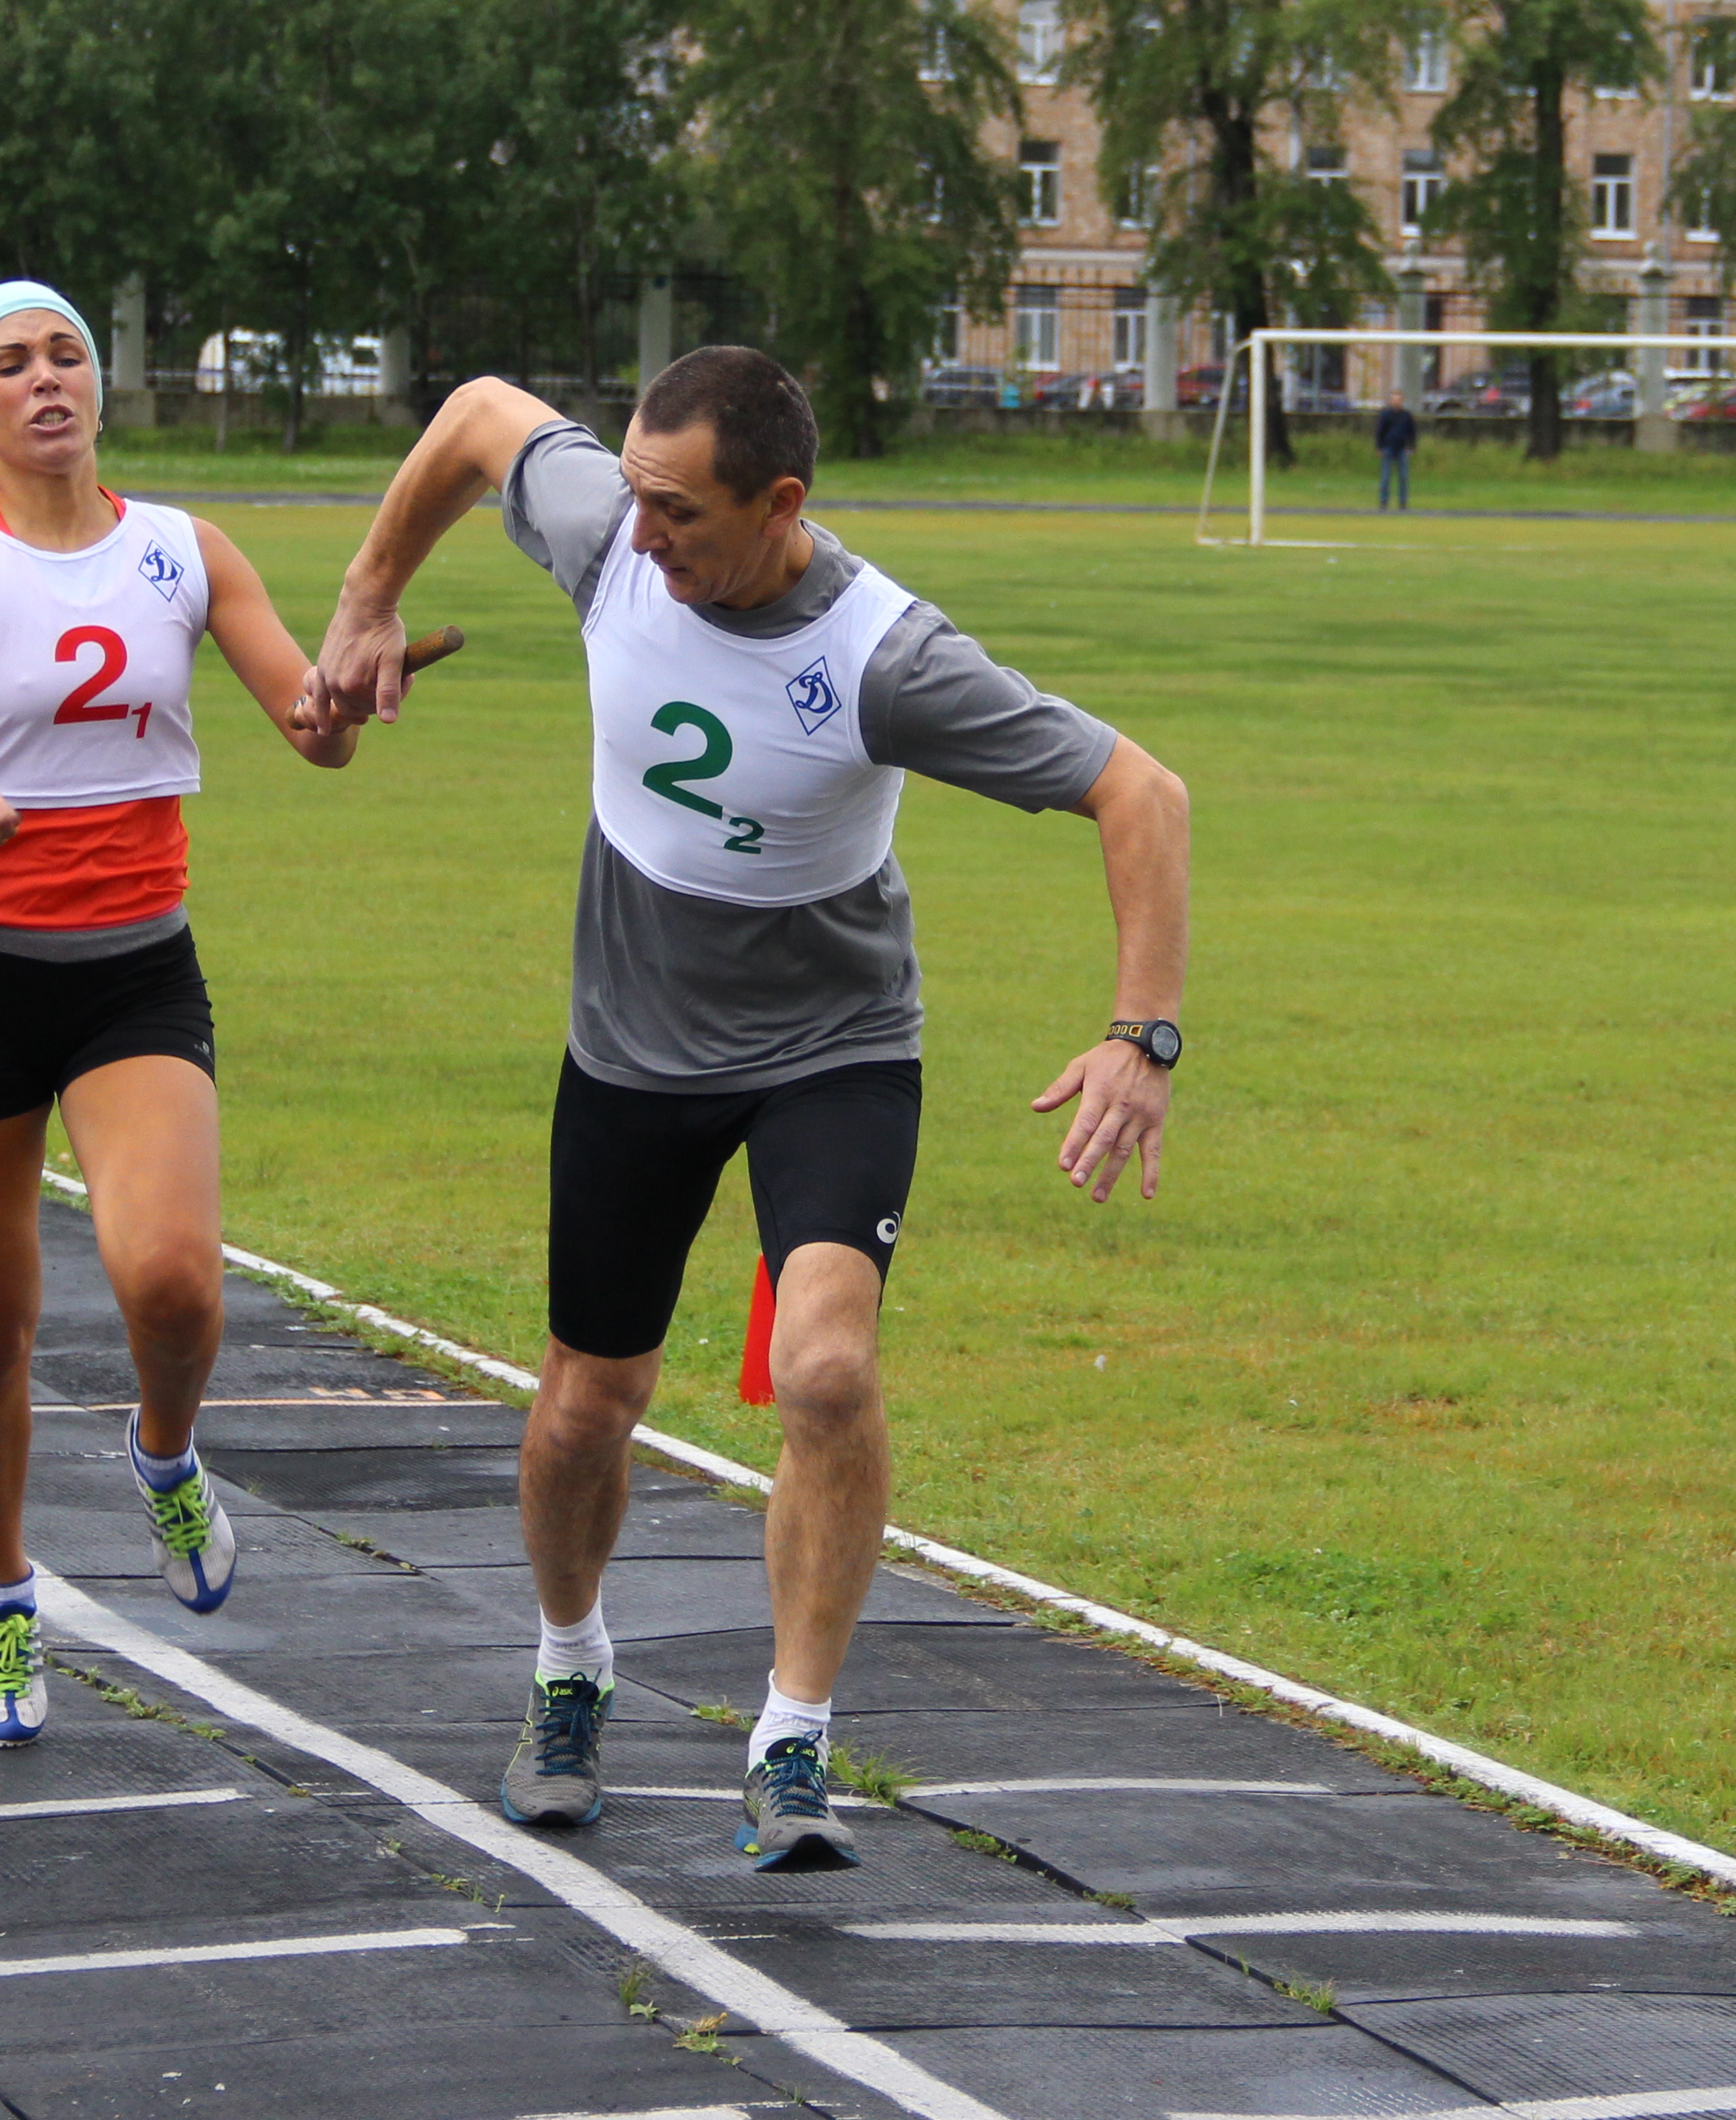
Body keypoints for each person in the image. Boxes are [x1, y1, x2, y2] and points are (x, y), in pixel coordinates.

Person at [299, 348, 1187, 1873]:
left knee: (825, 1371)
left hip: (830, 1043)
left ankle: (790, 1741)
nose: (639, 540)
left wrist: (1139, 1039)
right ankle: (570, 1670)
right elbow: (471, 414)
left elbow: (1141, 793)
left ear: (781, 504)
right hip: (633, 1045)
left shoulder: (884, 658)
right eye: (633, 501)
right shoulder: (608, 531)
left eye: (679, 516)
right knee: (590, 1401)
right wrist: (367, 596)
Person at [0, 281, 361, 1746]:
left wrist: (346, 699)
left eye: (65, 356)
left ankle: (164, 1459)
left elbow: (309, 728)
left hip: (129, 973)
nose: (46, 381)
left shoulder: (183, 550)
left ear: (99, 387)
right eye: (11, 364)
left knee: (170, 1278)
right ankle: (2, 1604)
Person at [1374, 395, 1418, 513]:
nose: (1396, 402)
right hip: (1388, 448)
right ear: (1391, 401)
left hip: (1402, 449)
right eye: (1394, 400)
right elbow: (1380, 432)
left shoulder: (1406, 416)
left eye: (1398, 400)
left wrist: (1412, 447)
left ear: (1401, 401)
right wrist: (1379, 447)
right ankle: (1384, 502)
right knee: (1385, 477)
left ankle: (1403, 503)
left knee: (1403, 477)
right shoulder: (1385, 415)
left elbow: (1412, 432)